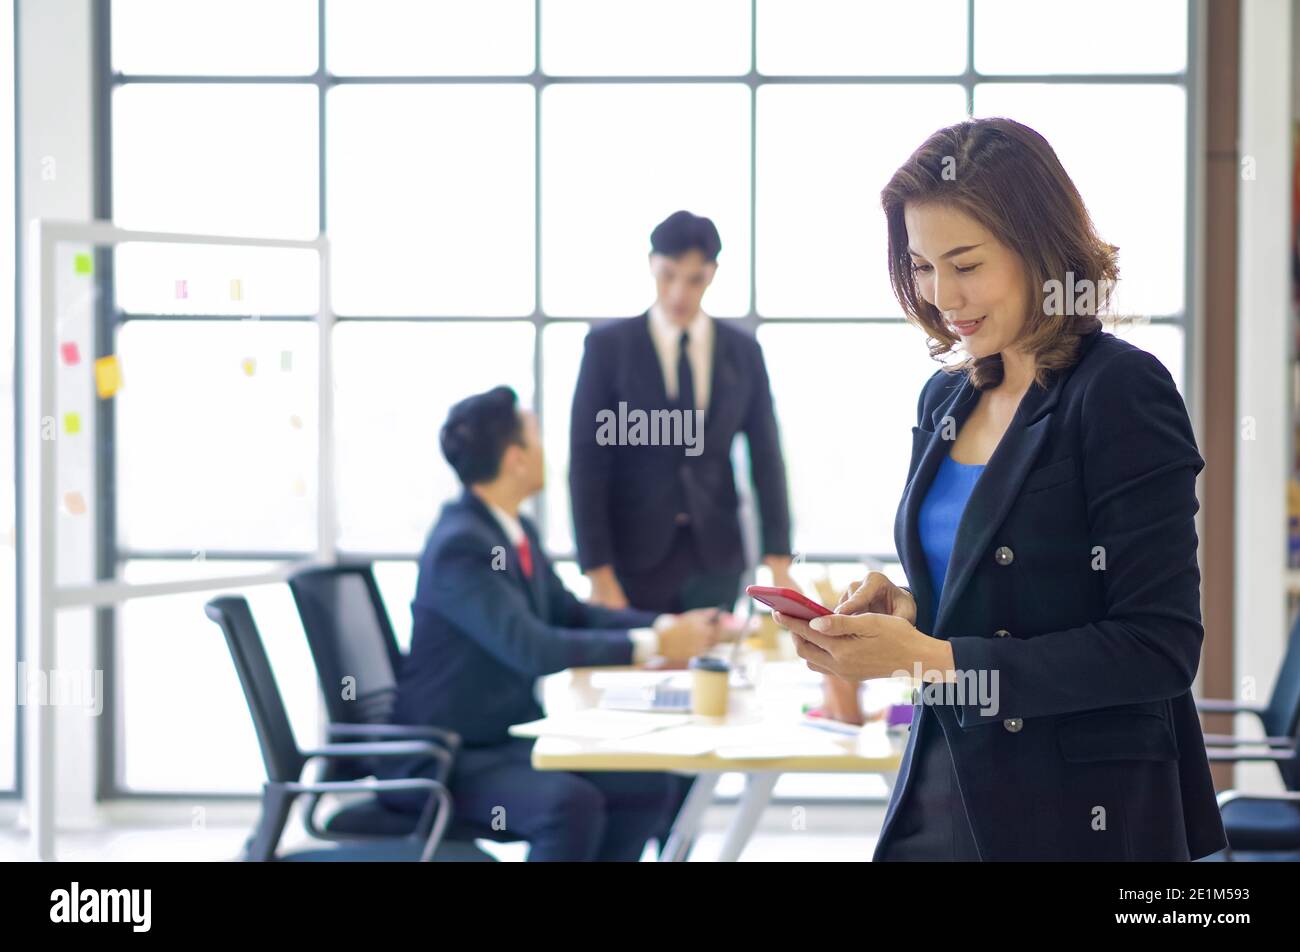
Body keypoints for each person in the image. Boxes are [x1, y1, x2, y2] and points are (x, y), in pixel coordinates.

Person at [773, 117, 1228, 861]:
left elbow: (1158, 646)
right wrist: (909, 614)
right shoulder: (944, 400)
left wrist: (922, 659)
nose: (943, 294)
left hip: (1078, 813)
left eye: (966, 263)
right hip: (945, 779)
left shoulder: (1119, 391)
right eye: (921, 266)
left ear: (1039, 249)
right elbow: (996, 595)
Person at [380, 386, 723, 861]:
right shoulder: (463, 545)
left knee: (645, 783)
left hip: (497, 740)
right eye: (537, 440)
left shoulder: (511, 530)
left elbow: (570, 612)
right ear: (517, 458)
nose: (546, 453)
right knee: (567, 806)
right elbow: (532, 647)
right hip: (449, 757)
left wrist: (668, 625)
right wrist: (655, 643)